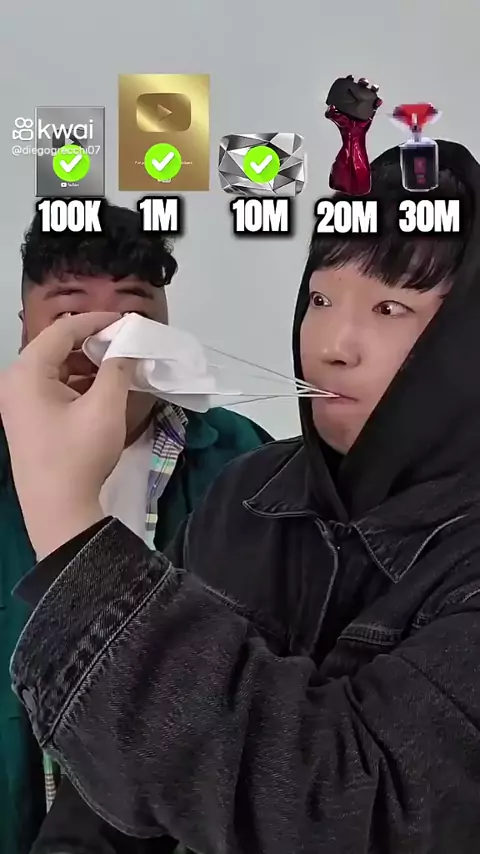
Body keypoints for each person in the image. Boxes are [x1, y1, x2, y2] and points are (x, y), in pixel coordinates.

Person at [4, 139, 480, 854]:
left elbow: (344, 809)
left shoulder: (228, 453)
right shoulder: (248, 493)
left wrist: (70, 527)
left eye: (390, 307)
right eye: (320, 298)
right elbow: (107, 803)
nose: (332, 344)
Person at [0, 201, 272, 854]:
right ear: (24, 327)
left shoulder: (249, 467)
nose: (107, 347)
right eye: (70, 317)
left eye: (134, 320)